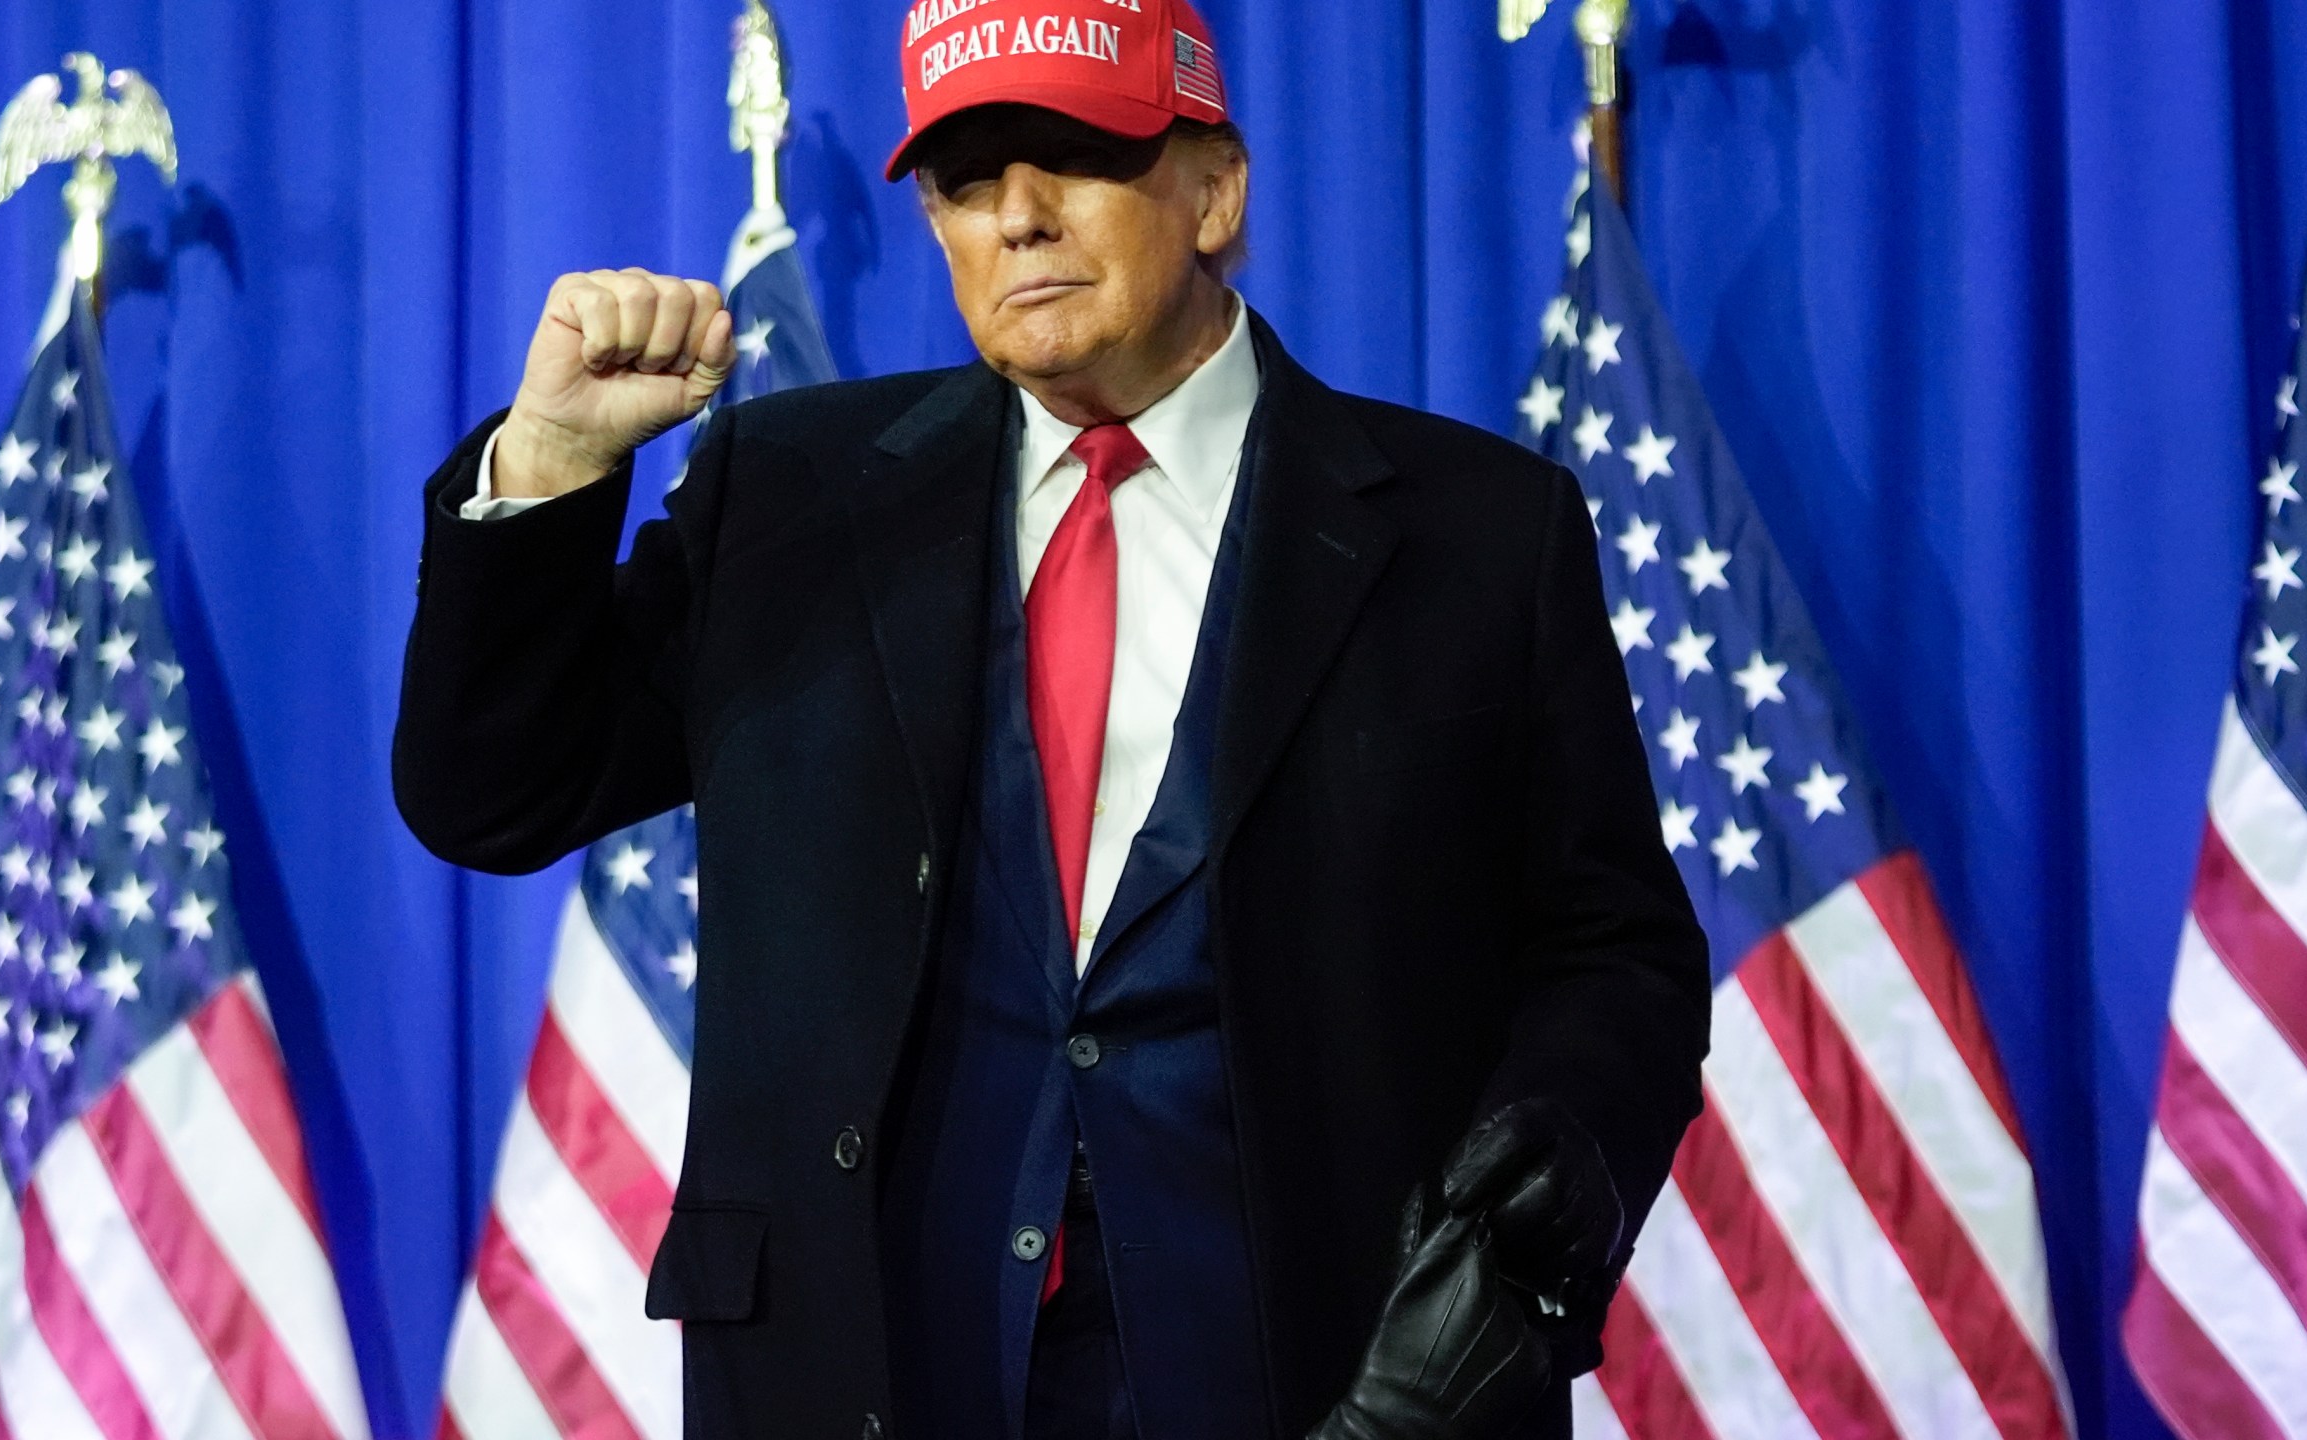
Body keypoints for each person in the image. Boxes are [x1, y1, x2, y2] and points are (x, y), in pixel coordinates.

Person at [393, 1, 1710, 1435]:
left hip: (1328, 1376)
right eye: (968, 180)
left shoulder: (1479, 533)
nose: (1018, 216)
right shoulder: (790, 498)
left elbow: (1617, 953)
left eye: (1074, 155)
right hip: (871, 1374)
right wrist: (552, 464)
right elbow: (495, 793)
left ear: (1215, 192)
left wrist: (1548, 1176)